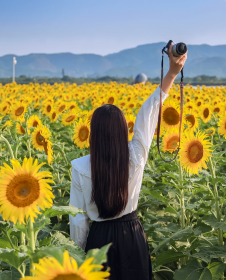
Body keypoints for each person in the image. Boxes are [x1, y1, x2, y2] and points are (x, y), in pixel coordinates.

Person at [69, 45, 187, 280]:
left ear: (94, 134)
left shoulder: (80, 167)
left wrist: (77, 259)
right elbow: (149, 113)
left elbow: (78, 221)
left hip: (98, 241)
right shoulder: (135, 156)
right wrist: (173, 73)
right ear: (124, 130)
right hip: (131, 237)